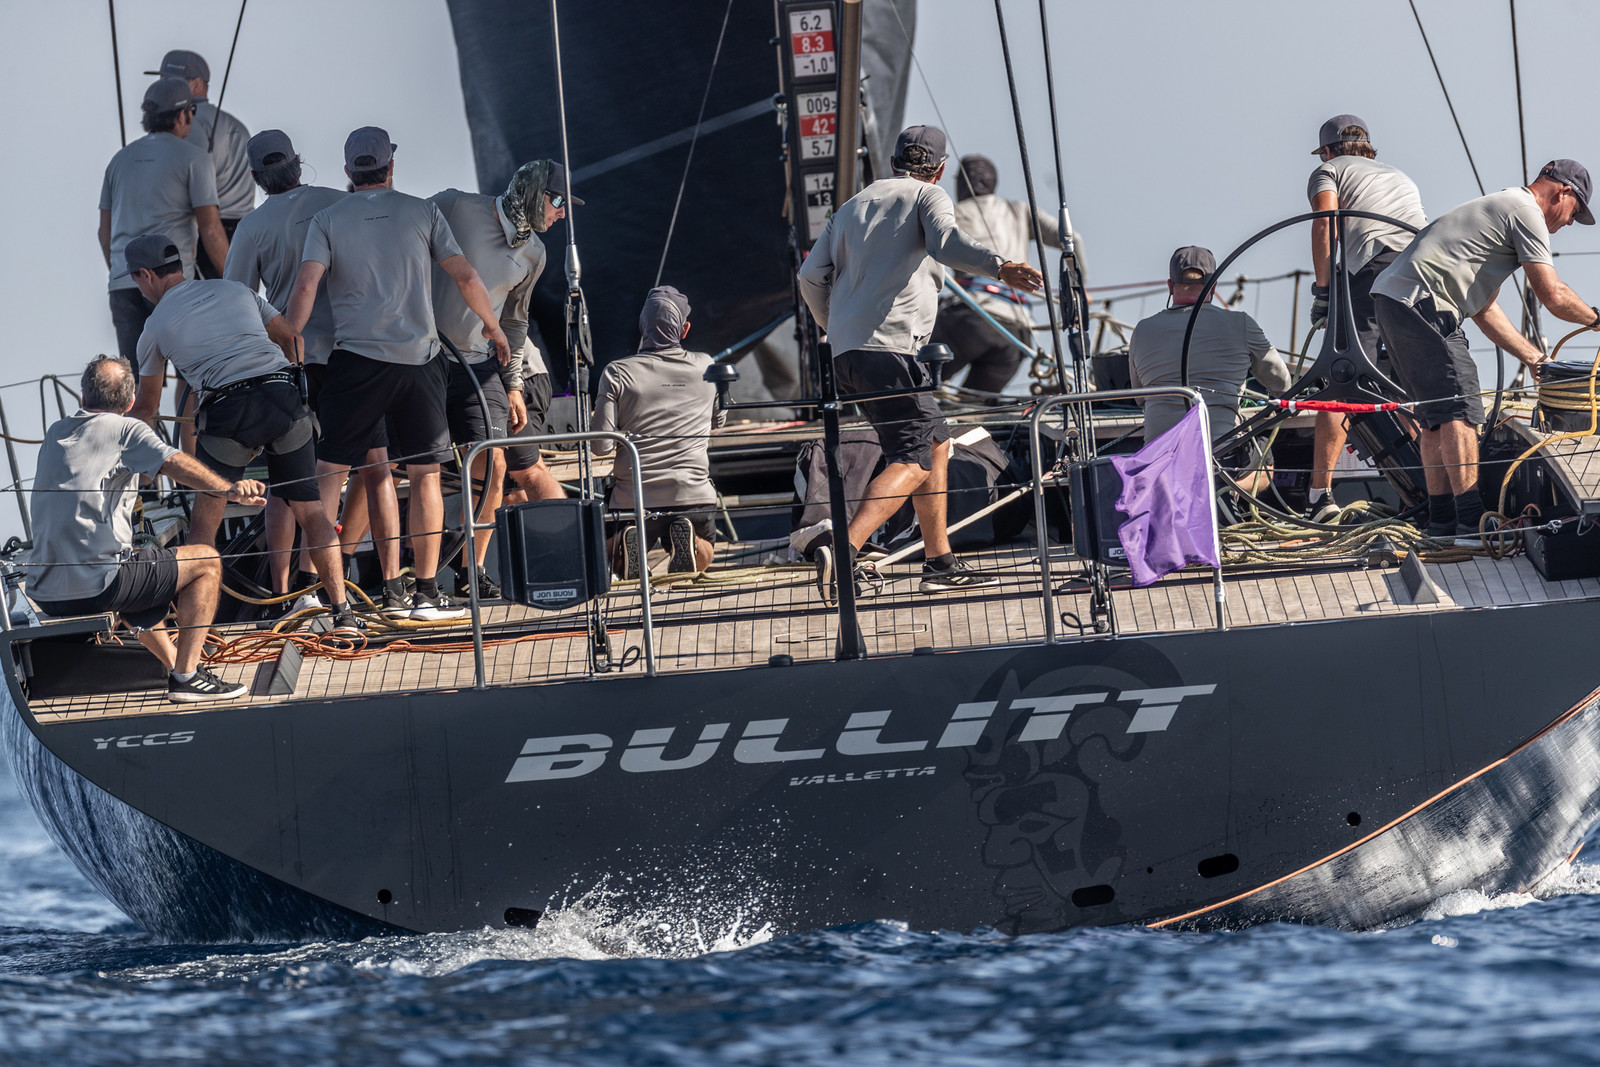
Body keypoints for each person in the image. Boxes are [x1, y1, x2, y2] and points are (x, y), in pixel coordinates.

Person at [796, 125, 1042, 600]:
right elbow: (946, 244)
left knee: (935, 444)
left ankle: (939, 560)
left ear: (892, 161)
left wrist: (837, 327)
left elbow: (810, 274)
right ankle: (843, 553)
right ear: (940, 169)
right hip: (890, 349)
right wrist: (1001, 267)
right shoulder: (928, 198)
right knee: (912, 456)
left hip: (848, 354)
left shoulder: (850, 207)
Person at [286, 126, 509, 621]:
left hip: (357, 362)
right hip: (420, 362)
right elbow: (467, 276)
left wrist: (289, 338)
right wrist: (495, 329)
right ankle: (425, 593)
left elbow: (306, 286)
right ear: (391, 167)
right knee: (426, 475)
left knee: (330, 474)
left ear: (348, 172)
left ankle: (309, 590)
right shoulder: (422, 211)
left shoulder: (326, 220)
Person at [120, 233, 360, 631]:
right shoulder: (237, 290)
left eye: (136, 280)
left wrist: (138, 467)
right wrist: (295, 386)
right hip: (283, 399)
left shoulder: (154, 326)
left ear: (146, 275)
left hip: (228, 411)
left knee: (203, 526)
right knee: (313, 512)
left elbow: (146, 407)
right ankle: (343, 614)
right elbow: (291, 336)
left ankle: (200, 633)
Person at [1373, 159, 1600, 541]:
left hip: (1395, 299)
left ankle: (1443, 524)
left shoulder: (1499, 211)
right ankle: (1472, 523)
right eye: (1574, 213)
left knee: (1435, 417)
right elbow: (1553, 295)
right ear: (1561, 192)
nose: (1568, 224)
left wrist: (1534, 359)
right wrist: (1596, 319)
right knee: (1461, 410)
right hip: (1424, 302)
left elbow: (1483, 309)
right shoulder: (1526, 211)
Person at [28, 356, 262, 703]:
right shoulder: (127, 430)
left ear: (82, 396)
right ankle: (188, 676)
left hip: (45, 594)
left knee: (138, 566)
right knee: (207, 562)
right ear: (130, 402)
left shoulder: (56, 432)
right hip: (97, 587)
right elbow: (174, 462)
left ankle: (173, 668)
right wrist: (227, 489)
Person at [429, 158, 577, 601]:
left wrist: (513, 384)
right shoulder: (455, 205)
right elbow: (402, 239)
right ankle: (401, 580)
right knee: (407, 469)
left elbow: (515, 321)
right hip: (424, 359)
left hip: (481, 365)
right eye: (558, 201)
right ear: (533, 192)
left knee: (494, 462)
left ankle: (470, 569)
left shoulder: (536, 253)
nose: (562, 212)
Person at [224, 129, 350, 615]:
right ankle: (319, 582)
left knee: (284, 481)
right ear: (299, 163)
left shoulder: (253, 226)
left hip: (288, 363)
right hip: (347, 354)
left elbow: (236, 299)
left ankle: (282, 596)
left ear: (256, 177)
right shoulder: (336, 203)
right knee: (341, 472)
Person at [1303, 115, 1426, 517]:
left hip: (1373, 269)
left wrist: (1323, 292)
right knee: (1414, 381)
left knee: (1341, 375)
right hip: (1422, 271)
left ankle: (1319, 496)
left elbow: (1325, 223)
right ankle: (1437, 491)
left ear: (1326, 150)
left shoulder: (1328, 170)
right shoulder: (1400, 175)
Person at [1128, 246, 1293, 494]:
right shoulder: (1241, 324)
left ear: (1170, 286)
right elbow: (1282, 386)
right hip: (1220, 456)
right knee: (1265, 462)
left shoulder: (1141, 331)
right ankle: (1227, 495)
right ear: (1213, 287)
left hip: (1158, 455)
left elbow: (1140, 398)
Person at [99, 77, 228, 370]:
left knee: (133, 382)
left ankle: (141, 419)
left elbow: (103, 233)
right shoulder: (195, 158)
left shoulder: (118, 160)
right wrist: (236, 284)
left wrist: (129, 275)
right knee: (195, 373)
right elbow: (210, 229)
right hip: (171, 285)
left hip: (124, 283)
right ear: (184, 114)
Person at [593, 287, 724, 576]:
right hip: (692, 493)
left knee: (609, 553)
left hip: (633, 497)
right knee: (707, 553)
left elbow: (600, 447)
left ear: (642, 326)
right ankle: (691, 543)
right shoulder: (707, 366)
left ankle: (626, 545)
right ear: (685, 328)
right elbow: (719, 422)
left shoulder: (617, 372)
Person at [929, 153, 1070, 394]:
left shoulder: (952, 213)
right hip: (1017, 335)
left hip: (971, 319)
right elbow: (1070, 238)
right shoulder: (1019, 211)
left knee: (910, 384)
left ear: (962, 183)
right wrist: (1081, 287)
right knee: (974, 408)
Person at [148, 50, 253, 277]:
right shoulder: (237, 126)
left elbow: (188, 181)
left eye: (169, 80)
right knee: (238, 306)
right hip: (243, 231)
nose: (162, 86)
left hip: (210, 233)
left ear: (196, 85)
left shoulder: (190, 123)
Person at [501, 334, 565, 506]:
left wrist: (513, 385)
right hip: (519, 377)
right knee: (510, 483)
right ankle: (534, 531)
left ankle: (558, 530)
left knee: (528, 471)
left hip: (517, 380)